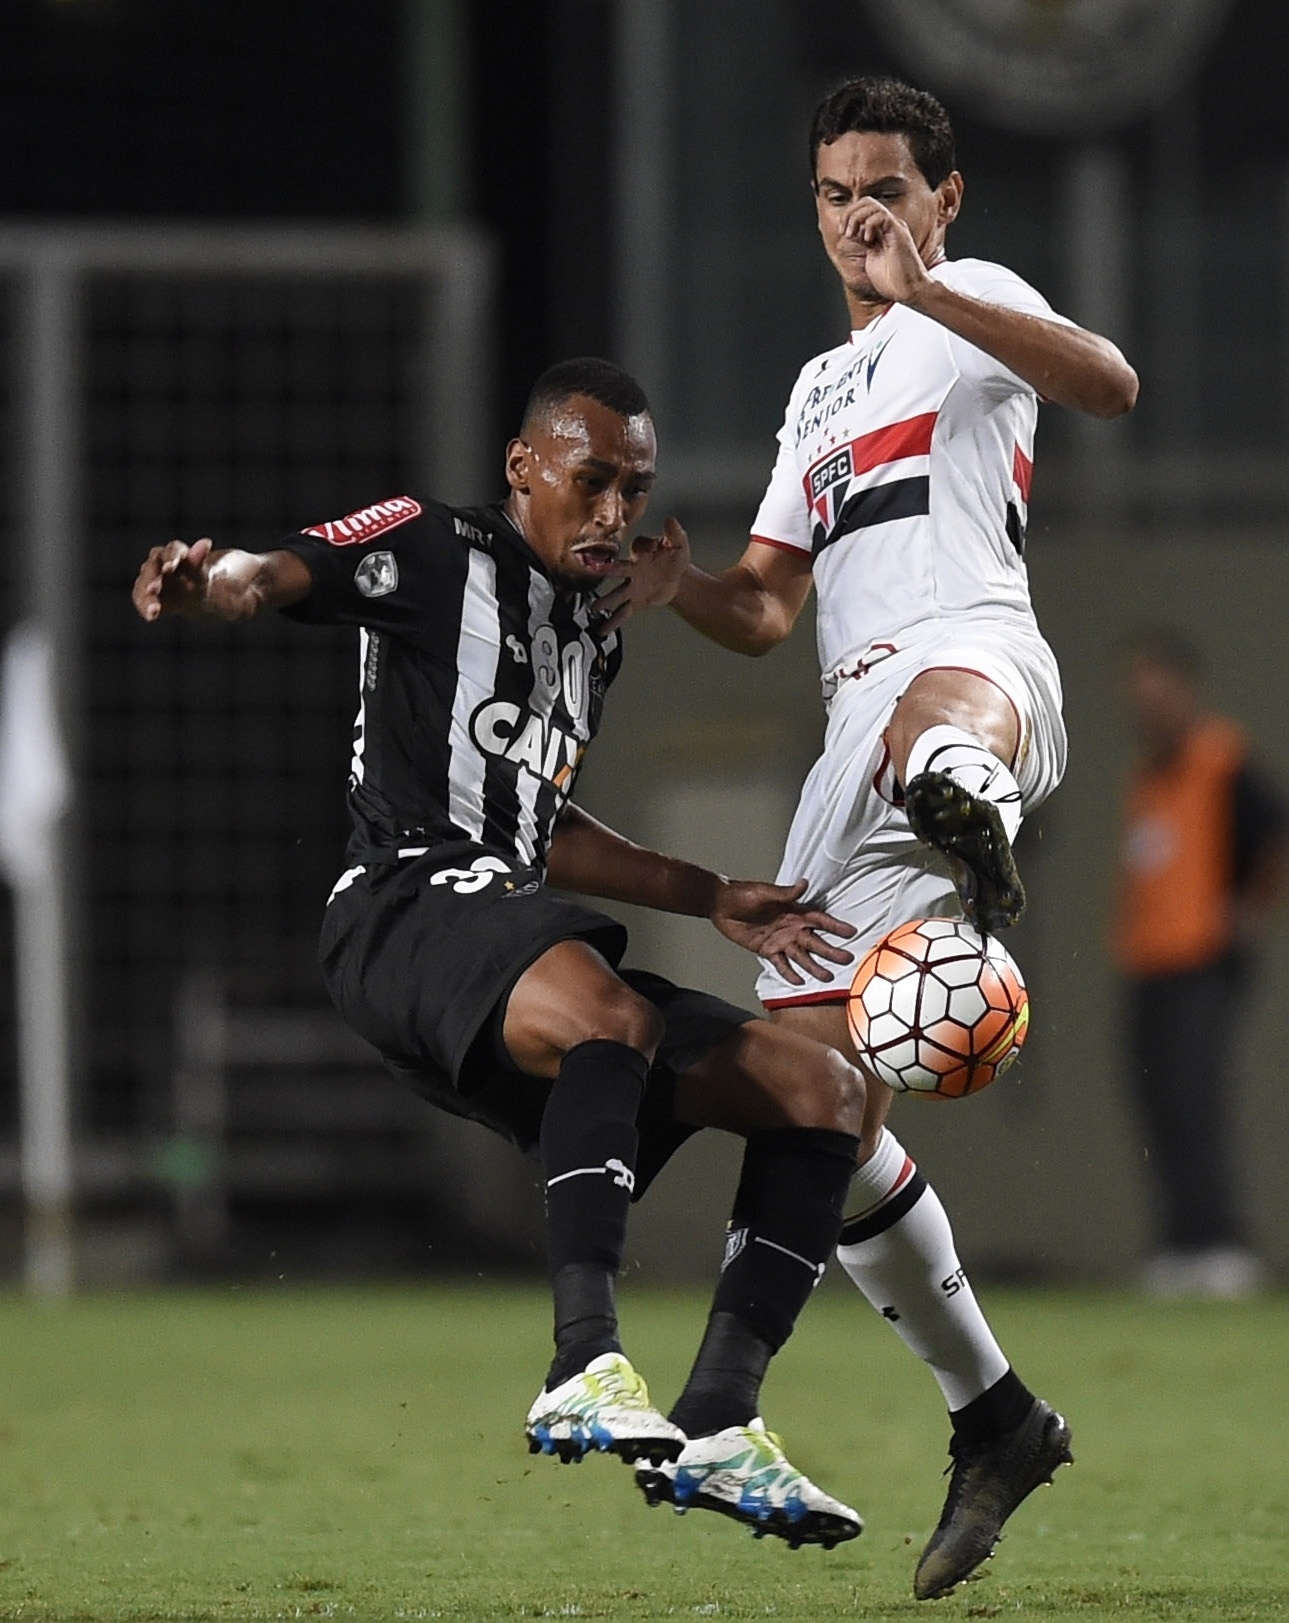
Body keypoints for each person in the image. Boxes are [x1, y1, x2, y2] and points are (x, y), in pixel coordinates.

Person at [131, 356, 878, 1550]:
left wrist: (709, 893)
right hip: (400, 908)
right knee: (608, 1014)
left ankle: (721, 1420)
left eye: (634, 489)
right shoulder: (434, 546)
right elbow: (280, 572)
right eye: (590, 482)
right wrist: (207, 576)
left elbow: (544, 828)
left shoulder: (596, 628)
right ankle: (584, 1360)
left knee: (821, 1089)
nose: (614, 514)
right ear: (524, 467)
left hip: (506, 926)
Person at [602, 76, 1139, 1598]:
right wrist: (681, 581)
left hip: (974, 658)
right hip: (847, 738)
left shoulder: (974, 295)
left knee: (934, 718)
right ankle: (996, 1413)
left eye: (887, 187)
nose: (862, 216)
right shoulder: (816, 392)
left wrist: (941, 301)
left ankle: (963, 792)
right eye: (838, 192)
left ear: (941, 198)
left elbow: (1107, 385)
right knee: (811, 1096)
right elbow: (771, 608)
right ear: (815, 207)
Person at [1113, 626, 1286, 1297]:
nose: (1143, 702)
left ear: (1185, 689)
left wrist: (1245, 914)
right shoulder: (1146, 774)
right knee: (1156, 1105)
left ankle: (1220, 1245)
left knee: (1196, 1102)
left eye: (1155, 686)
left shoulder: (1222, 760)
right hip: (1146, 963)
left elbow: (1274, 831)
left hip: (1201, 964)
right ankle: (1178, 1243)